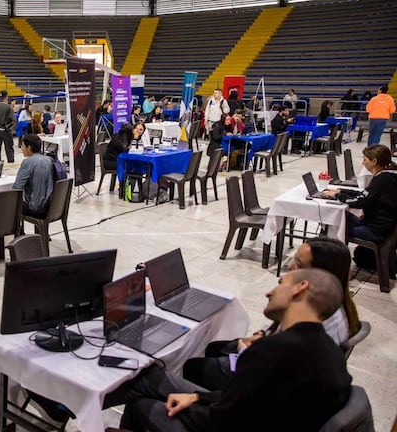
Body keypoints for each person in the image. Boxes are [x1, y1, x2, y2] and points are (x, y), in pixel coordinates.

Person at [119, 268, 352, 432]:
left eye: (280, 283)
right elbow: (248, 398)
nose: (269, 292)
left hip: (228, 425)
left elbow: (222, 421)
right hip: (258, 419)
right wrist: (199, 396)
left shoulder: (275, 350)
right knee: (149, 377)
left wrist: (193, 408)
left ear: (300, 288)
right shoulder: (329, 352)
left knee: (141, 402)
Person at [182, 237, 360, 391]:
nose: (290, 266)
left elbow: (270, 371)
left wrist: (249, 350)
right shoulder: (334, 304)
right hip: (270, 363)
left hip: (260, 380)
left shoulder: (313, 327)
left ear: (317, 276)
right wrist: (262, 335)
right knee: (214, 347)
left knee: (192, 366)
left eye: (299, 264)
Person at [322, 144, 397, 243]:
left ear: (374, 161)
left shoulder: (381, 180)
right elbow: (365, 194)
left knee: (334, 222)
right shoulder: (388, 176)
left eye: (365, 160)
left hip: (375, 230)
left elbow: (359, 201)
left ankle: (330, 252)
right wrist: (341, 191)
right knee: (344, 216)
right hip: (383, 226)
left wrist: (337, 195)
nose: (363, 163)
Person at [13, 134, 54, 218]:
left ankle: (18, 230)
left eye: (23, 146)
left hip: (36, 208)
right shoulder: (50, 160)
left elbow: (17, 187)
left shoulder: (28, 162)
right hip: (52, 205)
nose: (21, 148)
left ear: (29, 148)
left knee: (6, 204)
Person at [0, 90, 17, 163]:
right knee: (9, 149)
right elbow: (13, 120)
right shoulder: (9, 107)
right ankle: (11, 163)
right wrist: (10, 129)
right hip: (5, 131)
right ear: (6, 97)